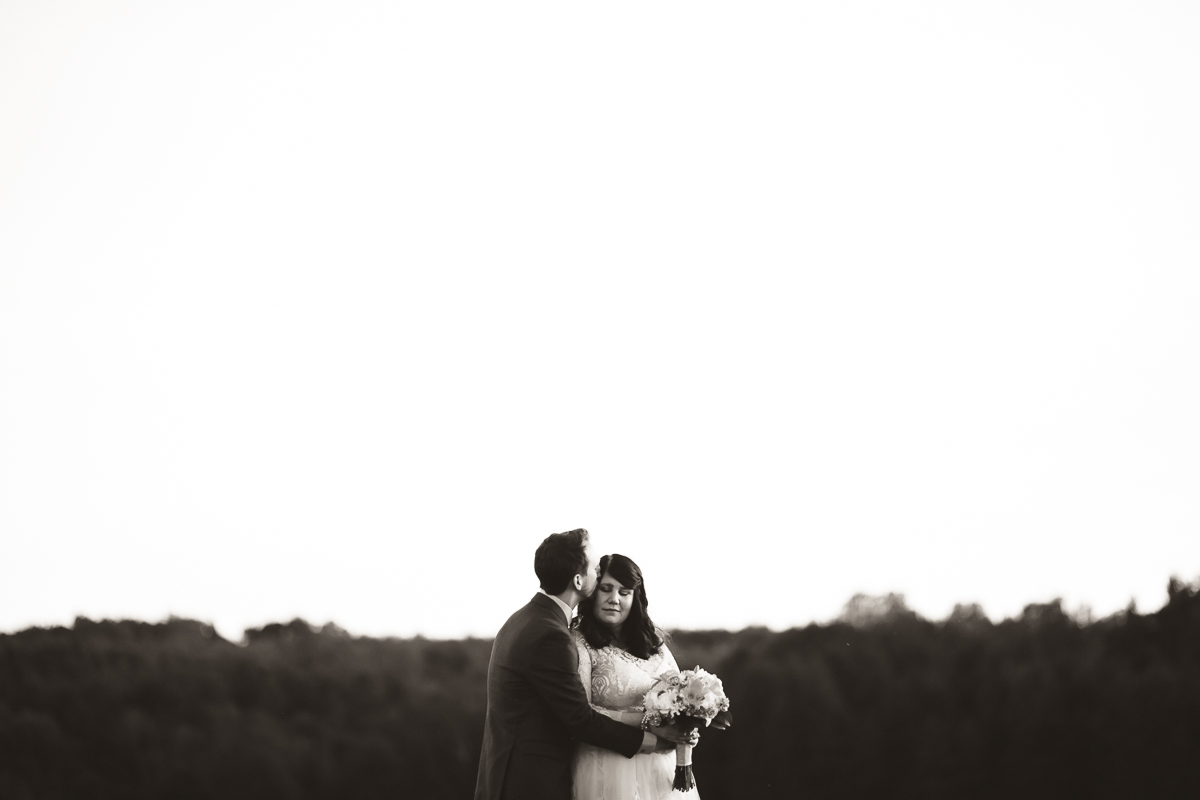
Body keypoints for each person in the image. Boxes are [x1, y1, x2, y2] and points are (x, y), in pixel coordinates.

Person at [474, 529, 694, 800]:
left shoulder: (525, 619)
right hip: (531, 783)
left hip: (510, 777)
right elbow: (580, 719)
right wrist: (657, 741)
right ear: (579, 580)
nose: (599, 570)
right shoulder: (551, 634)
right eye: (594, 567)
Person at [571, 553, 699, 800]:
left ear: (635, 597)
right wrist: (649, 724)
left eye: (624, 592)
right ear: (593, 592)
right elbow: (581, 712)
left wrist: (686, 725)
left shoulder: (654, 643)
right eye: (606, 589)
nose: (614, 599)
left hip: (661, 770)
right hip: (608, 767)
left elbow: (678, 693)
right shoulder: (579, 642)